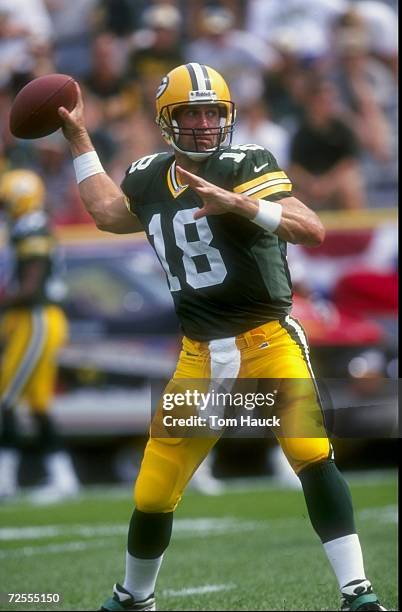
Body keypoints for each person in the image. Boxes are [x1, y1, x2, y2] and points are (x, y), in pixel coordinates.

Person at [58, 63, 385, 611]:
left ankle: (358, 592)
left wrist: (242, 204)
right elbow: (106, 213)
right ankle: (135, 597)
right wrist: (79, 138)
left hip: (267, 337)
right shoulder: (146, 175)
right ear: (169, 120)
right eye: (194, 113)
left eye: (214, 112)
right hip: (201, 353)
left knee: (310, 452)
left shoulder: (245, 163)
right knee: (154, 489)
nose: (207, 124)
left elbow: (312, 228)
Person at [0, 169, 79, 502]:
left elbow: (31, 287)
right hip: (35, 319)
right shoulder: (27, 226)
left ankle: (4, 480)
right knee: (37, 404)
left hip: (37, 318)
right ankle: (64, 479)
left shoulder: (31, 227)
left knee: (5, 397)